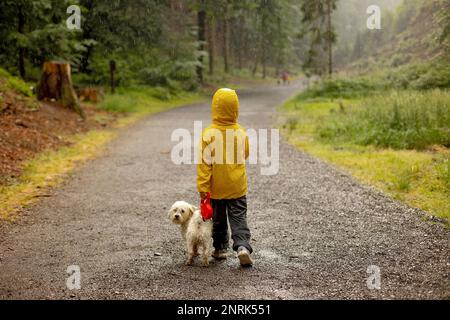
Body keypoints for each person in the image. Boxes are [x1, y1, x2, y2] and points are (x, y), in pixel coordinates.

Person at [197, 88, 253, 267]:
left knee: (219, 220)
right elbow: (245, 154)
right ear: (235, 108)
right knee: (238, 218)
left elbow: (204, 165)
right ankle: (242, 247)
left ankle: (220, 249)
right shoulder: (240, 132)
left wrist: (203, 188)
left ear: (215, 108)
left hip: (216, 188)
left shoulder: (208, 134)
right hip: (237, 186)